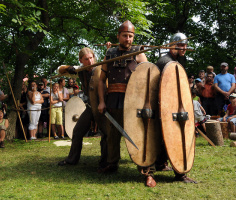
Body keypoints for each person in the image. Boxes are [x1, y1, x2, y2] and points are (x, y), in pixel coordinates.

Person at [98, 21, 154, 184]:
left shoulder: (139, 53)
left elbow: (148, 79)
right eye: (124, 35)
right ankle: (112, 164)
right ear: (118, 36)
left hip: (133, 102)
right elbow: (102, 80)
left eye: (130, 36)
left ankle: (146, 171)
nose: (127, 39)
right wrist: (102, 101)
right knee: (112, 136)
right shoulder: (109, 53)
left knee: (137, 136)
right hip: (113, 99)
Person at [154, 32, 197, 185]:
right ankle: (180, 174)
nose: (184, 48)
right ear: (172, 46)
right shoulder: (166, 61)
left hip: (169, 106)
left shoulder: (176, 60)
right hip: (167, 106)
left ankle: (160, 163)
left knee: (164, 137)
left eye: (185, 45)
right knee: (175, 138)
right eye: (180, 45)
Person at [57, 47, 108, 168]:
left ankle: (105, 162)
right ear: (81, 60)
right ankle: (71, 160)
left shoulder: (101, 68)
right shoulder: (80, 70)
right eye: (86, 59)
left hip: (103, 107)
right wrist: (70, 69)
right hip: (90, 107)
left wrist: (108, 50)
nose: (90, 61)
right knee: (77, 131)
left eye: (91, 58)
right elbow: (60, 69)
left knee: (106, 134)